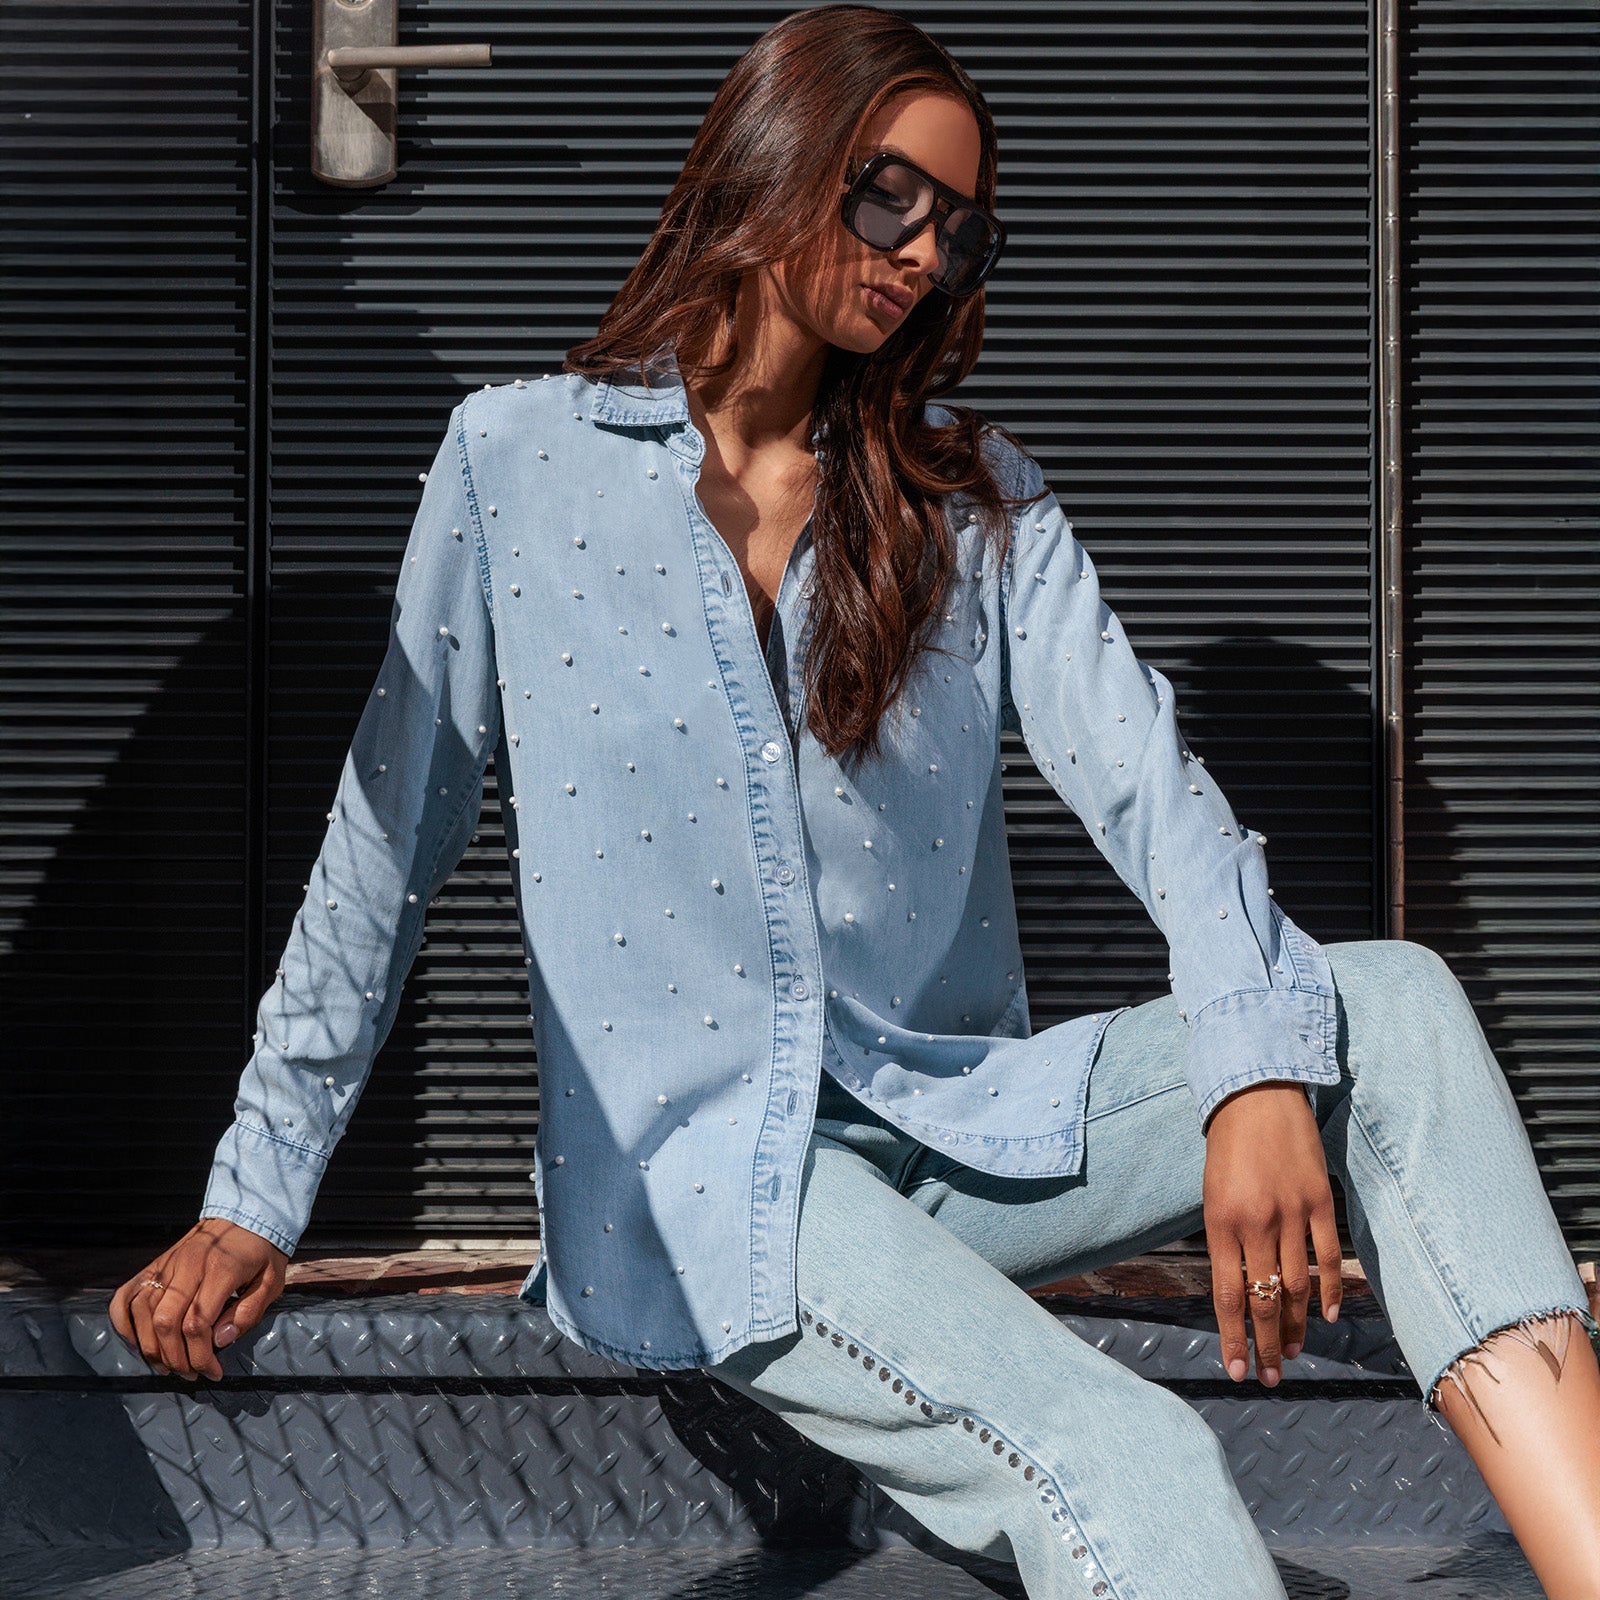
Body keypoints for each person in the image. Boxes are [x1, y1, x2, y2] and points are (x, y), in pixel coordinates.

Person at [109, 6, 1600, 1594]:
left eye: (962, 235)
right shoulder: (514, 464)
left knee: (1398, 1010)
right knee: (1133, 1457)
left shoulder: (971, 497)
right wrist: (253, 1199)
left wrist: (1248, 1064)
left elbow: (1158, 795)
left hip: (948, 1132)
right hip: (697, 1187)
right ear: (778, 150)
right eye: (892, 196)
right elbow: (376, 857)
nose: (919, 255)